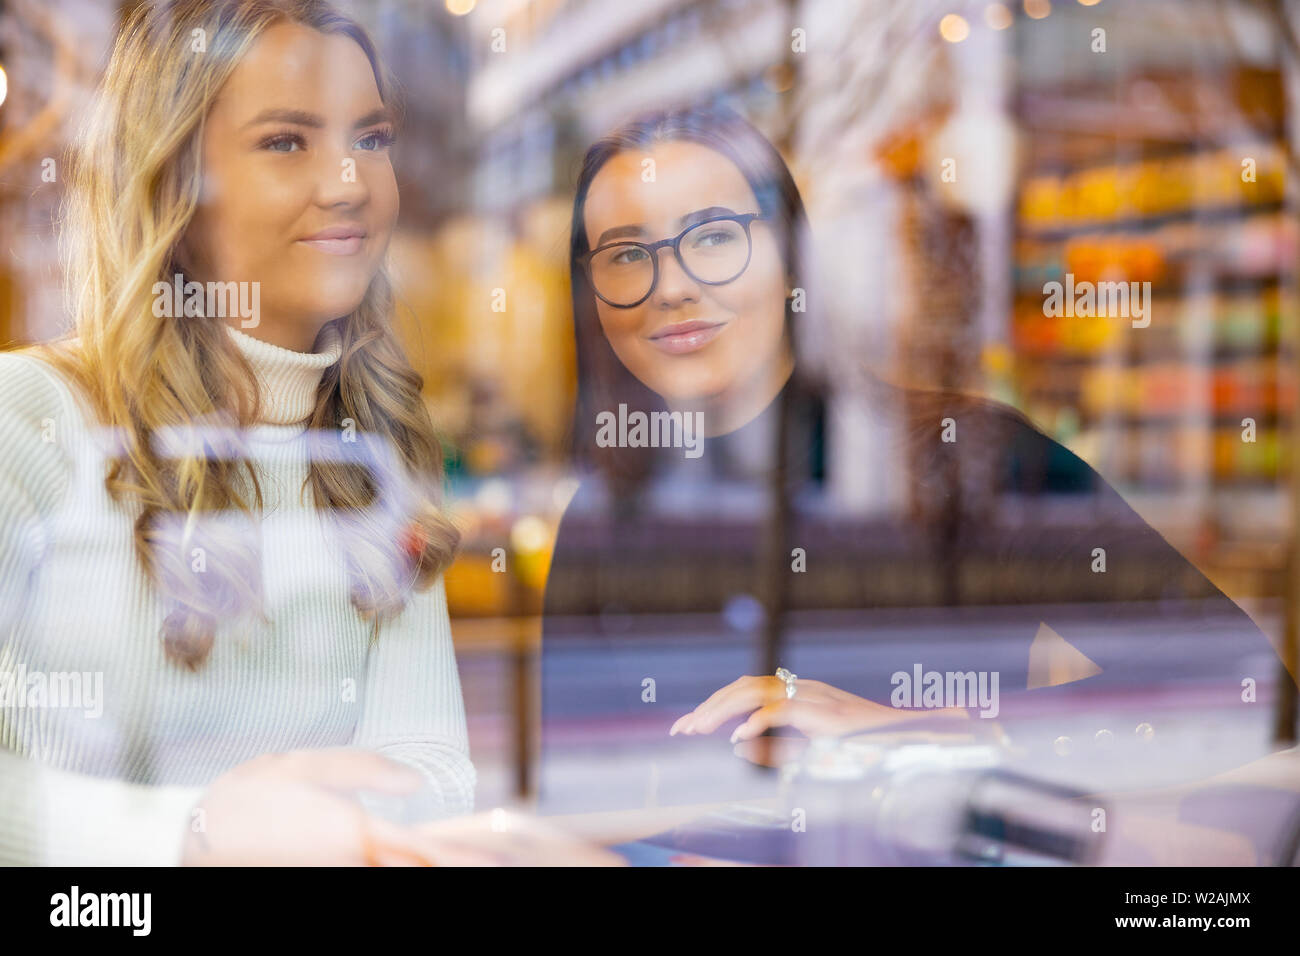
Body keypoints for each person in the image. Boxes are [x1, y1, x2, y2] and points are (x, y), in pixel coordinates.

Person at [539, 105, 1298, 820]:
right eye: (628, 254)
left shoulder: (975, 456)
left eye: (711, 238)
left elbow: (1243, 693)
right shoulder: (606, 513)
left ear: (792, 257)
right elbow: (584, 784)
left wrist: (950, 732)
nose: (670, 287)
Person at [0, 0, 473, 866]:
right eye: (287, 141)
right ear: (176, 182)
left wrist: (314, 829)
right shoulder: (27, 418)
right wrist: (195, 834)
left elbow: (432, 769)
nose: (350, 183)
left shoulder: (377, 449)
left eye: (371, 139)